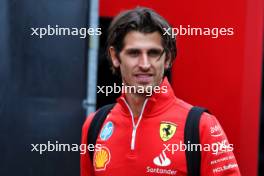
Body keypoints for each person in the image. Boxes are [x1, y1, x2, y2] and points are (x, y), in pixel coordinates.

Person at [80, 7, 241, 176]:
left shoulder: (202, 126)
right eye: (134, 53)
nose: (144, 64)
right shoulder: (94, 125)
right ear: (115, 56)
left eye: (153, 53)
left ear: (168, 58)